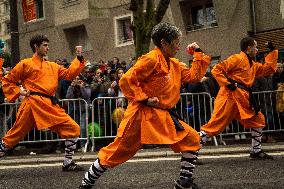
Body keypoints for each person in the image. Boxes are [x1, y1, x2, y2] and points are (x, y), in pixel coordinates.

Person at [78, 22, 211, 189]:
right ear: (164, 43)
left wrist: (197, 54)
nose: (179, 46)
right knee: (117, 152)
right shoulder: (150, 59)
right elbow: (126, 80)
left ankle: (184, 183)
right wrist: (144, 99)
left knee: (191, 139)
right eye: (176, 42)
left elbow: (194, 76)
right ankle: (85, 184)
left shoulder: (174, 64)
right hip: (141, 115)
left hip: (163, 114)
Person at [0, 34, 86, 171]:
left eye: (47, 45)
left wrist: (79, 57)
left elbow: (69, 74)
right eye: (45, 45)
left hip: (49, 104)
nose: (48, 48)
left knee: (73, 128)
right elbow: (7, 80)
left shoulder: (53, 66)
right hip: (32, 103)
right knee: (14, 135)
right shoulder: (25, 63)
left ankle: (68, 162)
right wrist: (20, 91)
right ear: (36, 46)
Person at [200, 37, 278, 159]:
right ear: (248, 48)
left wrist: (272, 52)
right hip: (229, 96)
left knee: (258, 120)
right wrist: (227, 84)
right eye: (255, 47)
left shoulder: (253, 65)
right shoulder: (237, 58)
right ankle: (191, 151)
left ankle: (256, 151)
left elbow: (268, 70)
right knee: (214, 126)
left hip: (242, 98)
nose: (257, 50)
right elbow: (217, 69)